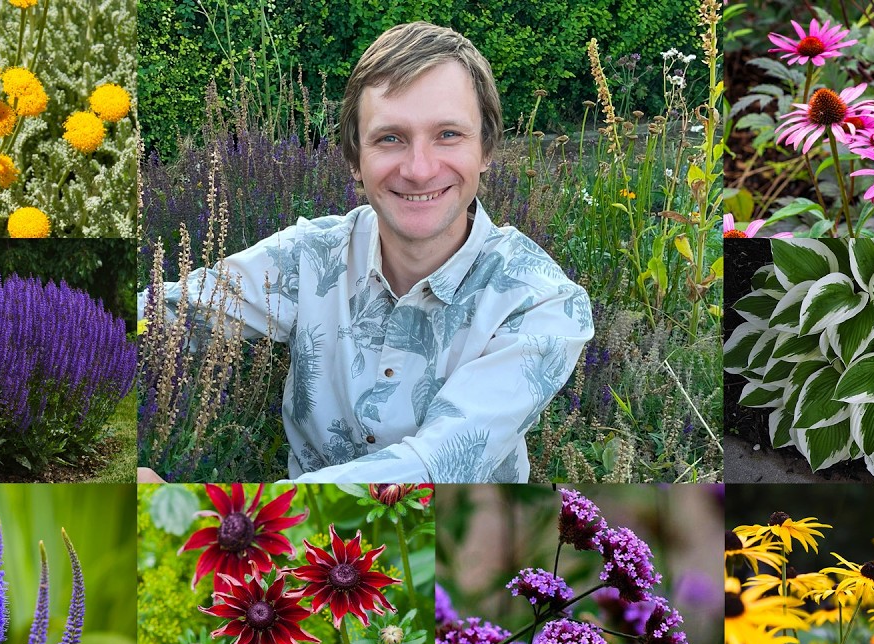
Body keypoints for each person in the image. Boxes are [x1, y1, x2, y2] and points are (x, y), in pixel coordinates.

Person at [139, 21, 593, 482]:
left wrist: (210, 515)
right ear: (355, 161)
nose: (419, 169)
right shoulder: (309, 259)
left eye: (449, 134)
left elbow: (438, 465)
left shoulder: (540, 301)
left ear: (487, 149)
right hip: (304, 547)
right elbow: (161, 313)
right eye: (390, 138)